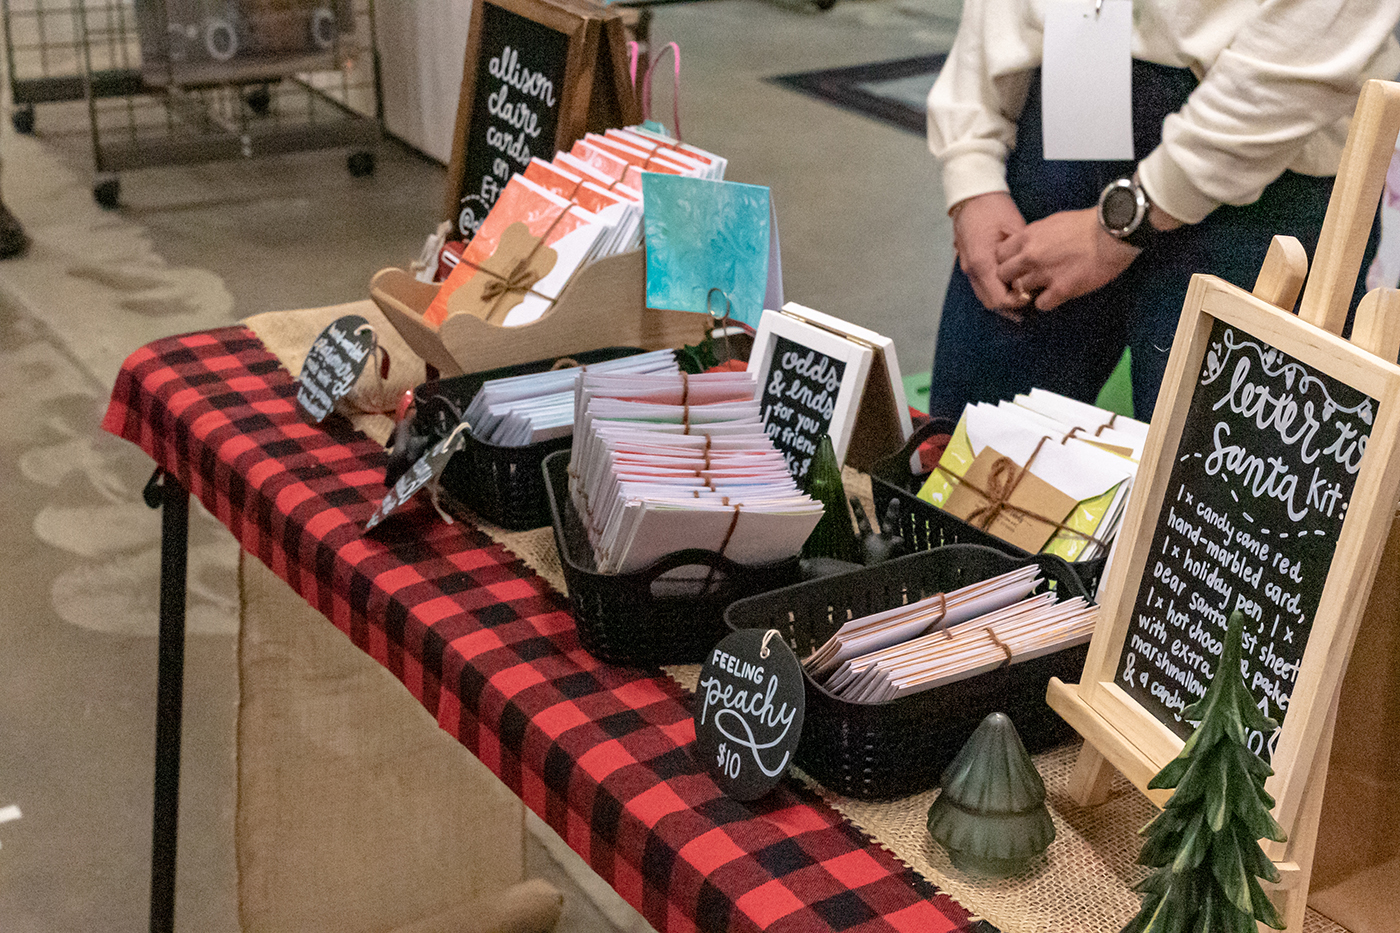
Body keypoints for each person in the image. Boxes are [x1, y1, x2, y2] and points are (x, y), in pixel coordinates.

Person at [925, 0, 1400, 422]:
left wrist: (1125, 221)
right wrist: (972, 166)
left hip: (1266, 157)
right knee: (973, 455)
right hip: (1066, 83)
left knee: (1216, 478)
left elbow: (1322, 22)